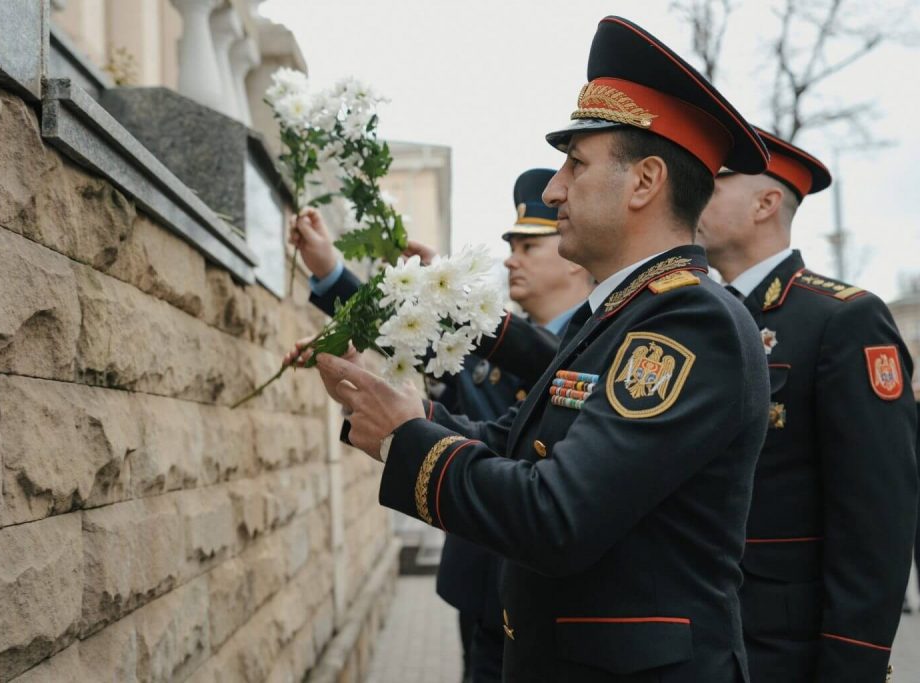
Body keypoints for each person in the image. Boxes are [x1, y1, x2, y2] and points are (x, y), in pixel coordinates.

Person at [301, 16, 772, 681]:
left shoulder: (690, 320)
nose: (554, 190)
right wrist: (402, 418)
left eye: (576, 163)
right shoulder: (625, 312)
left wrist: (407, 439)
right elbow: (515, 440)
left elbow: (557, 515)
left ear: (645, 182)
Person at [290, 169, 594, 683]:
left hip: (549, 596)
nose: (510, 258)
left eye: (529, 245)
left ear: (570, 260)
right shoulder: (485, 351)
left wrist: (447, 295)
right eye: (510, 244)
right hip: (479, 581)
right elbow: (402, 335)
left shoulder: (587, 347)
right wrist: (330, 273)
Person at [696, 128, 918, 682]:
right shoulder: (702, 317)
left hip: (788, 650)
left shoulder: (841, 319)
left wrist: (853, 664)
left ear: (766, 203)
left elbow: (877, 516)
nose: (695, 196)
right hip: (702, 635)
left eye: (714, 185)